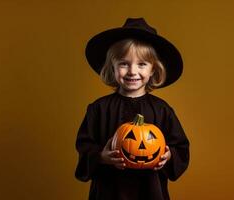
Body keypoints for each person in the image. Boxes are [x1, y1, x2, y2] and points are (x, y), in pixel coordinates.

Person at [75, 18, 190, 200]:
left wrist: (169, 156)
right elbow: (84, 145)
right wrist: (101, 157)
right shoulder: (99, 108)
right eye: (123, 63)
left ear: (153, 70)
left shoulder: (162, 110)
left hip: (150, 191)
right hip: (109, 191)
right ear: (112, 68)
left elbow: (180, 146)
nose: (132, 71)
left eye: (142, 64)